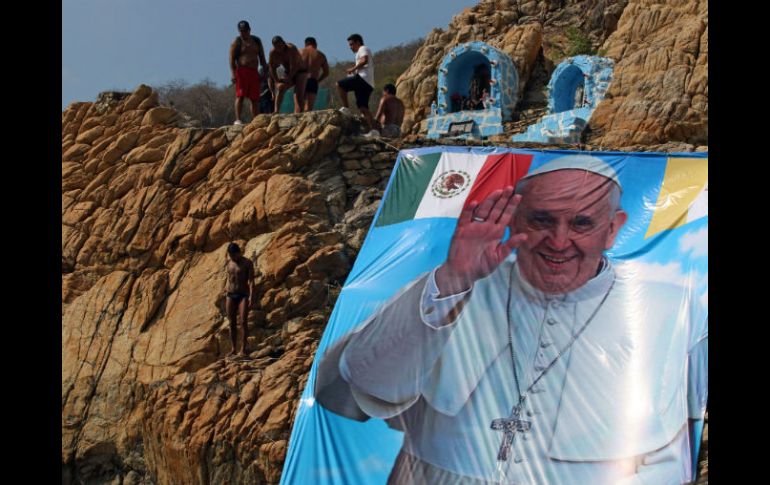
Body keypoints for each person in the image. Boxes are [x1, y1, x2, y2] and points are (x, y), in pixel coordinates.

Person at [314, 155, 708, 484]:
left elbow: (672, 454)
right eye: (541, 220)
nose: (558, 240)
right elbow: (358, 385)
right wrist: (454, 279)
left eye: (581, 223)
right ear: (514, 221)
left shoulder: (669, 309)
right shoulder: (452, 283)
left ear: (612, 229)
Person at [229, 20, 268, 125]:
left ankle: (256, 120)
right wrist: (233, 74)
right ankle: (238, 119)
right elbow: (231, 59)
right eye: (242, 31)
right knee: (240, 95)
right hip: (242, 71)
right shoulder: (237, 42)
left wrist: (265, 71)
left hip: (254, 72)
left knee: (255, 98)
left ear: (249, 29)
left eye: (246, 30)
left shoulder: (256, 41)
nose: (244, 33)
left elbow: (262, 57)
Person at [336, 33, 375, 133]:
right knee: (363, 107)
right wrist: (354, 71)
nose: (350, 47)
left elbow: (364, 60)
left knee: (340, 85)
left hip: (362, 79)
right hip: (369, 83)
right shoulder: (361, 51)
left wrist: (353, 68)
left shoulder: (362, 48)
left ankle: (346, 108)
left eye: (352, 44)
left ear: (358, 42)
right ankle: (373, 130)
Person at [224, 243, 255, 358]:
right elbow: (228, 278)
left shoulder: (247, 263)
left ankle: (243, 349)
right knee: (231, 322)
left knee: (243, 321)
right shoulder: (228, 262)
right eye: (230, 255)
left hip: (243, 295)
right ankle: (233, 349)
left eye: (234, 255)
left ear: (238, 253)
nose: (232, 257)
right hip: (230, 295)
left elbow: (251, 281)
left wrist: (252, 296)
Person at [269, 36, 309, 113]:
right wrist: (277, 81)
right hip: (288, 71)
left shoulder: (291, 48)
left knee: (299, 96)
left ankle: (302, 113)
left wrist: (289, 78)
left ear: (283, 43)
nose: (279, 49)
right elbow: (272, 68)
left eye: (280, 46)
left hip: (300, 71)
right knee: (281, 88)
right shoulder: (273, 52)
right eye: (277, 47)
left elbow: (295, 66)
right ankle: (276, 111)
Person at [300, 37, 329, 111]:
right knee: (308, 108)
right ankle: (306, 122)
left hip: (300, 80)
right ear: (315, 44)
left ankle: (297, 122)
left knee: (298, 107)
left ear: (305, 44)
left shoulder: (299, 52)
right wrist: (318, 80)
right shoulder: (321, 55)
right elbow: (326, 73)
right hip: (312, 81)